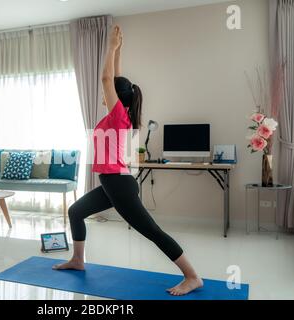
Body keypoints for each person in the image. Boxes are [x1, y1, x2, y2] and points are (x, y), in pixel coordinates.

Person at [53, 25, 203, 296]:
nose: (104, 93)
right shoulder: (120, 114)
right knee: (76, 212)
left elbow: (106, 79)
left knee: (152, 232)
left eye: (109, 92)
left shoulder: (119, 115)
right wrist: (119, 49)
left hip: (119, 185)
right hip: (113, 183)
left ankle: (192, 276)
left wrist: (110, 47)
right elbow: (115, 80)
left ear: (117, 98)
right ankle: (78, 260)